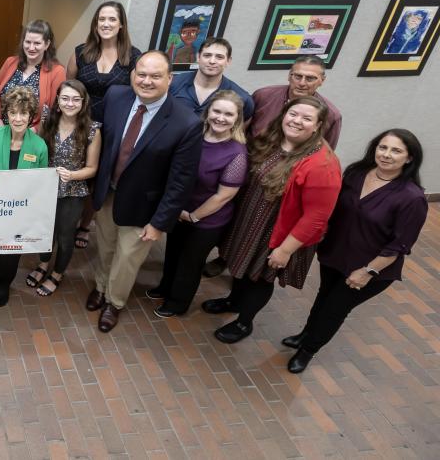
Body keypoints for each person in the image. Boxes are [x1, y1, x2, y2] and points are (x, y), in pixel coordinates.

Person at [283, 129, 427, 373]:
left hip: (371, 268)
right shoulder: (356, 173)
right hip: (336, 254)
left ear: (409, 158)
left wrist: (367, 271)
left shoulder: (411, 198)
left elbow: (400, 245)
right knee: (324, 297)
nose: (387, 155)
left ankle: (307, 351)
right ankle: (306, 334)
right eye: (383, 147)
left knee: (334, 309)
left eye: (396, 150)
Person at [203, 96, 342, 345]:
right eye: (293, 114)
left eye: (307, 118)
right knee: (240, 265)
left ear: (319, 125)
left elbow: (316, 217)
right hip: (249, 219)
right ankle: (233, 301)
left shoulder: (323, 164)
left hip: (278, 232)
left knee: (259, 276)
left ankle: (244, 321)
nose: (297, 121)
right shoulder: (272, 138)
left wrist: (285, 250)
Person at [87, 51, 203, 333]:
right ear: (132, 74)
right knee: (104, 247)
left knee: (127, 258)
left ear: (170, 79)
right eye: (142, 74)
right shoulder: (116, 96)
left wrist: (160, 223)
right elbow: (96, 134)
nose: (147, 81)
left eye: (155, 76)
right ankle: (101, 287)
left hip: (143, 208)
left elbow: (181, 182)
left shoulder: (186, 123)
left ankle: (114, 302)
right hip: (108, 194)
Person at [148, 90, 248, 317]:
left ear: (237, 119)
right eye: (217, 111)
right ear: (208, 111)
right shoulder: (194, 136)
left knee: (190, 263)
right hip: (179, 211)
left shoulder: (236, 153)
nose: (221, 118)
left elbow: (224, 196)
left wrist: (193, 216)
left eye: (228, 114)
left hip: (206, 219)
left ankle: (177, 303)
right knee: (173, 253)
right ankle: (165, 287)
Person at [66, 1, 141, 250]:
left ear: (121, 24)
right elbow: (70, 88)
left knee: (98, 178)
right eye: (101, 19)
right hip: (81, 124)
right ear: (95, 24)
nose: (106, 24)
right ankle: (65, 222)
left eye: (111, 19)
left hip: (113, 128)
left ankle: (86, 224)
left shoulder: (132, 57)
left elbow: (136, 95)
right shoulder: (80, 52)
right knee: (75, 171)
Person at [0, 87, 49, 307]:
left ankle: (5, 283)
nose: (18, 118)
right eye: (13, 113)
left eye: (23, 113)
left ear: (31, 116)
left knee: (11, 252)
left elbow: (42, 184)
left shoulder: (39, 145)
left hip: (20, 211)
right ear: (6, 114)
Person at [30, 80, 100, 297]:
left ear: (83, 102)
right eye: (65, 98)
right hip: (45, 189)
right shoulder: (47, 122)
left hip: (72, 192)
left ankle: (57, 274)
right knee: (44, 231)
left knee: (65, 236)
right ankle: (43, 264)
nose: (70, 103)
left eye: (75, 99)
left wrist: (72, 175)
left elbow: (92, 168)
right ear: (58, 102)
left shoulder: (92, 130)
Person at [248, 56, 342, 150]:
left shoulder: (331, 115)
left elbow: (325, 154)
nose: (302, 83)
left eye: (310, 78)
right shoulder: (263, 96)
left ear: (322, 80)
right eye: (298, 76)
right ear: (289, 76)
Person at [0, 19, 66, 129]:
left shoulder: (57, 71)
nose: (31, 48)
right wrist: (1, 128)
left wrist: (28, 134)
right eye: (28, 42)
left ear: (47, 44)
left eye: (37, 43)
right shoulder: (10, 62)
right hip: (1, 132)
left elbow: (54, 112)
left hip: (32, 138)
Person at [169, 38, 254, 121]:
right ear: (198, 57)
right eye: (207, 55)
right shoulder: (172, 84)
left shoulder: (242, 98)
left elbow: (239, 130)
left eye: (219, 57)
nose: (212, 61)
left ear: (228, 61)